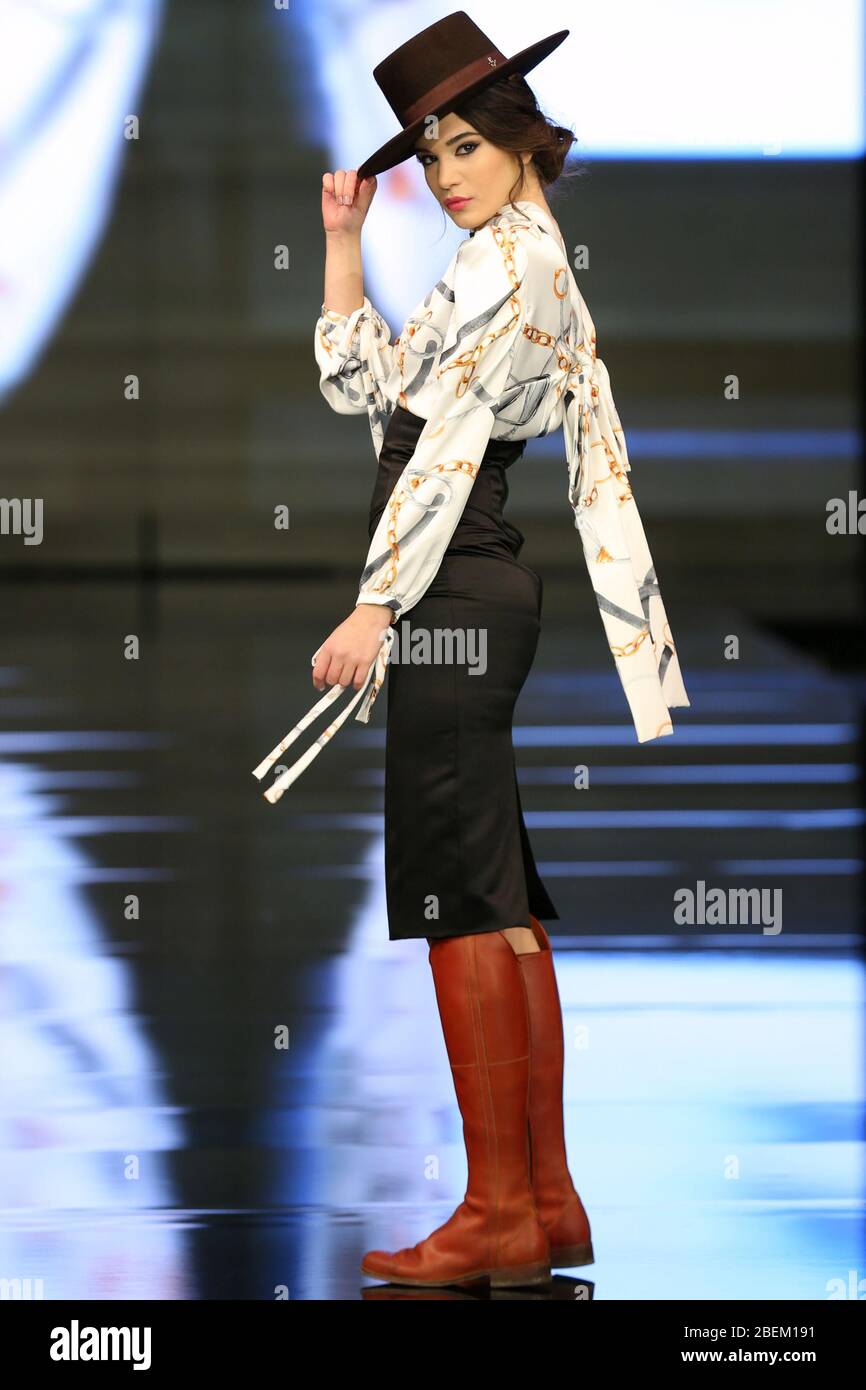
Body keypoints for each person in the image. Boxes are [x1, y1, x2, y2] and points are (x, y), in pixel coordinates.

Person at [253, 11, 689, 1290]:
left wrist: (378, 604)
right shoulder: (500, 255)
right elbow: (371, 389)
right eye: (426, 154)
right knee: (496, 908)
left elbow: (440, 457)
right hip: (469, 579)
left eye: (460, 146)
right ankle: (541, 1202)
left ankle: (496, 1209)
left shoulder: (512, 267)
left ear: (514, 138)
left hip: (451, 580)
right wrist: (342, 243)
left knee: (460, 906)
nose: (442, 174)